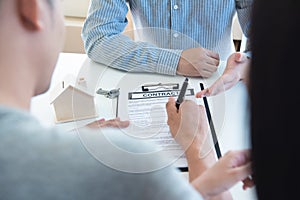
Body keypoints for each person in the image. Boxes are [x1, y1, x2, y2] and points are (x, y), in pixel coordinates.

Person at [0, 0, 253, 199]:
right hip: (148, 84)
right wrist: (197, 149)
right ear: (32, 8)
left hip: (221, 93)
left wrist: (247, 63)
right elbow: (98, 37)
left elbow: (265, 35)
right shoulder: (127, 165)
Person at [81, 0, 253, 78]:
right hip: (147, 76)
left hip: (218, 80)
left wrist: (246, 65)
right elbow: (98, 37)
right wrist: (174, 61)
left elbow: (268, 37)